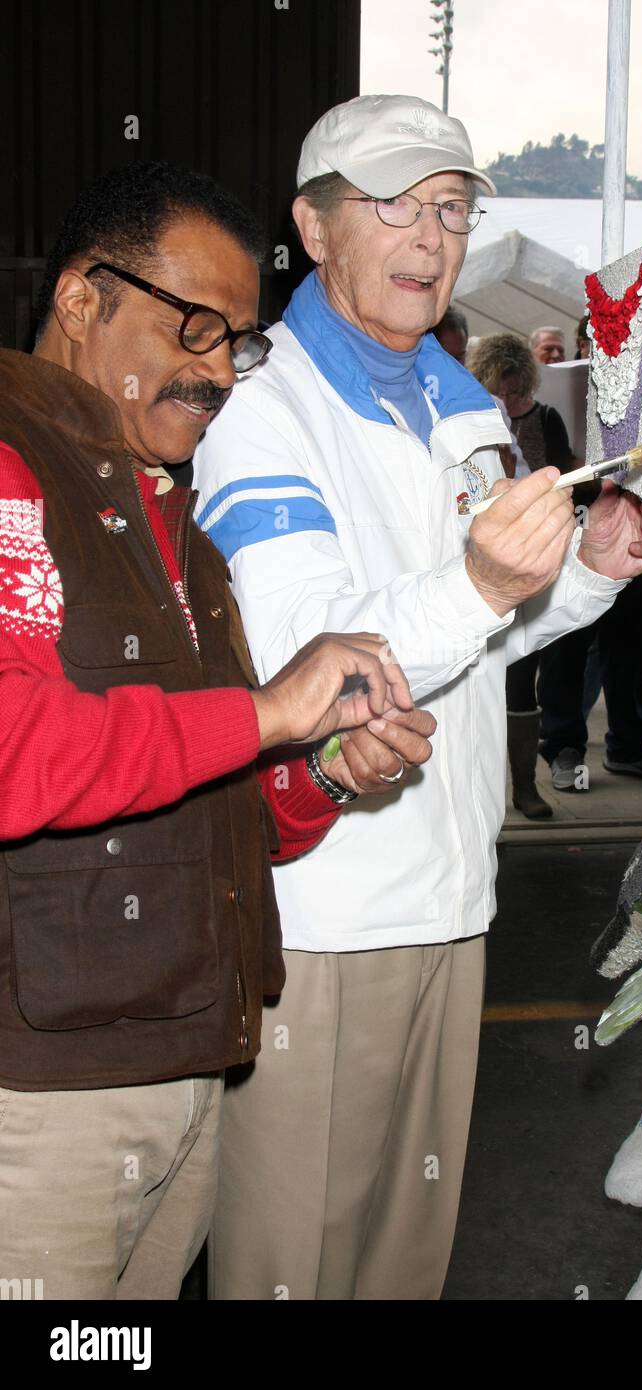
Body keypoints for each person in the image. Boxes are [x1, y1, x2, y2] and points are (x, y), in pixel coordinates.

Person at [193, 93, 642, 1300]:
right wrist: (480, 577)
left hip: (451, 894)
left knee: (406, 1262)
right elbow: (318, 664)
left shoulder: (456, 402)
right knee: (289, 1269)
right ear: (314, 224)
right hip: (321, 915)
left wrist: (585, 582)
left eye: (449, 208)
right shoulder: (257, 406)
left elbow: (483, 634)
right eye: (390, 206)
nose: (427, 237)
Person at [0, 160, 434, 1301]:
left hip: (183, 1074)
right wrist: (269, 709)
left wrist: (327, 771)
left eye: (236, 343)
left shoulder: (173, 527)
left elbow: (216, 800)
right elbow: (13, 754)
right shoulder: (10, 464)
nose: (215, 372)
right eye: (192, 326)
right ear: (83, 299)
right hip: (41, 1100)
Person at [467, 331, 578, 817]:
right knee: (502, 675)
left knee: (542, 668)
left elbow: (562, 478)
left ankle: (528, 783)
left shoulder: (546, 418)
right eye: (501, 391)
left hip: (541, 554)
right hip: (487, 561)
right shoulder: (474, 424)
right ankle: (502, 788)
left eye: (517, 391)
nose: (510, 401)